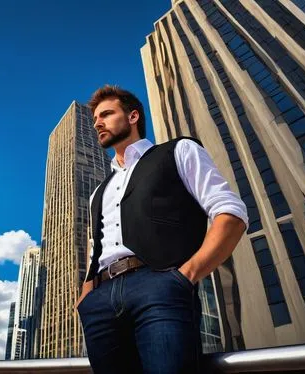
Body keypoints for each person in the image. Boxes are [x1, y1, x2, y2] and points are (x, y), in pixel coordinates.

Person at [76, 85, 248, 374]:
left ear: (133, 116)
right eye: (95, 119)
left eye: (106, 114)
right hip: (101, 301)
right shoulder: (98, 192)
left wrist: (186, 275)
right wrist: (86, 297)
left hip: (160, 286)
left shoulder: (178, 151)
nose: (98, 123)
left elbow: (231, 212)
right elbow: (97, 249)